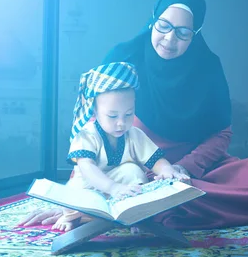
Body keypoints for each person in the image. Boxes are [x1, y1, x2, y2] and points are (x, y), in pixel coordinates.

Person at [19, 0, 248, 231]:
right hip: (130, 163)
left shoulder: (208, 67)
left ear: (195, 33)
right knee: (136, 187)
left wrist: (183, 169)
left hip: (192, 167)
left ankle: (150, 207)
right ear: (153, 19)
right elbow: (94, 129)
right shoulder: (124, 57)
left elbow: (221, 134)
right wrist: (76, 198)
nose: (169, 39)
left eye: (183, 32)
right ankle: (140, 207)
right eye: (163, 25)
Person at [51, 61, 189, 232]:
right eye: (112, 116)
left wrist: (168, 171)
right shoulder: (86, 134)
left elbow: (155, 160)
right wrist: (112, 188)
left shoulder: (135, 134)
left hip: (122, 191)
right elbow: (87, 167)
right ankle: (72, 218)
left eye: (128, 114)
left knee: (133, 170)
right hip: (90, 188)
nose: (121, 123)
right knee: (72, 195)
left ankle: (133, 215)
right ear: (94, 111)